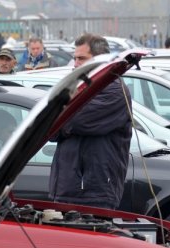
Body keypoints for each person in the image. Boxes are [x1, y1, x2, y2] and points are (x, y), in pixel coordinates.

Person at [48, 33, 132, 210]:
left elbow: (75, 121)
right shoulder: (76, 87)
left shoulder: (114, 90)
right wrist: (60, 121)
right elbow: (51, 127)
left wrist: (62, 119)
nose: (75, 64)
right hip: (67, 188)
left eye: (82, 59)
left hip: (94, 192)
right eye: (75, 58)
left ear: (100, 59)